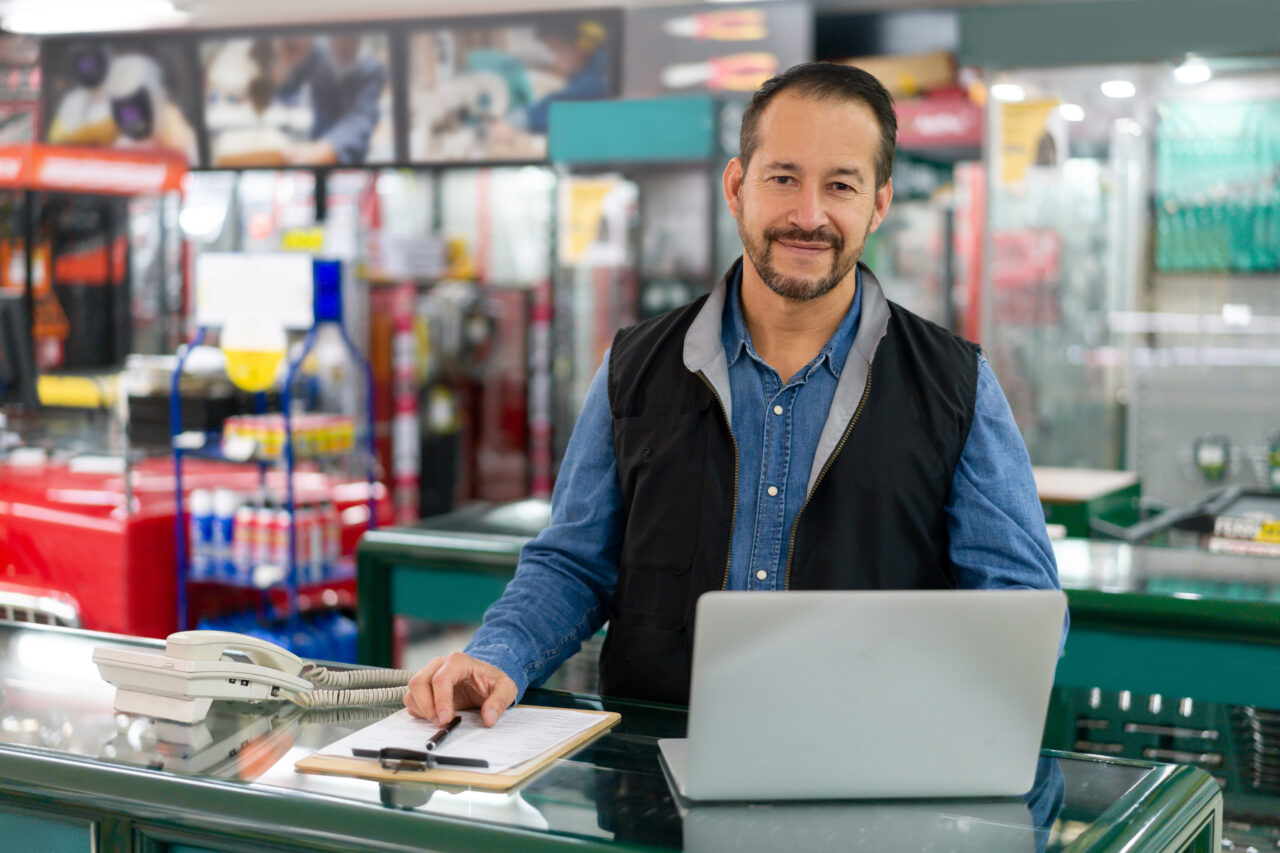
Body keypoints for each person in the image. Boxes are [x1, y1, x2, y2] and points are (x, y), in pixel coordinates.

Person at [405, 62, 1064, 727]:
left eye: (840, 185)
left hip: (865, 788)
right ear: (736, 185)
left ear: (879, 205)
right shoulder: (634, 368)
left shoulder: (954, 384)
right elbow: (573, 565)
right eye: (783, 178)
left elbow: (1021, 607)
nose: (808, 215)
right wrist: (498, 656)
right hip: (653, 785)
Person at [274, 36, 388, 166]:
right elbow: (286, 90)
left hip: (349, 156)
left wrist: (329, 148)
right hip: (315, 143)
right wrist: (286, 65)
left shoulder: (373, 69)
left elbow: (362, 116)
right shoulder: (316, 52)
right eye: (336, 40)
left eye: (348, 42)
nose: (341, 47)